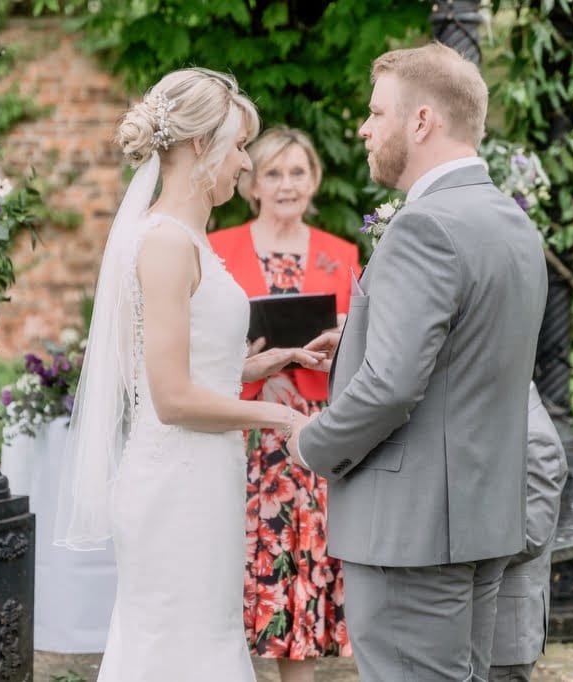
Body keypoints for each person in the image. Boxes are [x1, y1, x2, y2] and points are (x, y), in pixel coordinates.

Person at [289, 42, 549, 682]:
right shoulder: (511, 223)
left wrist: (311, 442)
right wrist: (359, 334)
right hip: (481, 525)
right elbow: (470, 356)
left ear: (423, 121)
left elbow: (391, 385)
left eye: (378, 113)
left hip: (411, 536)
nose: (364, 127)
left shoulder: (423, 226)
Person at [54, 68, 322, 682]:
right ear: (201, 146)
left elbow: (184, 368)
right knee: (180, 650)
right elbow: (171, 399)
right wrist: (279, 414)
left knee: (202, 642)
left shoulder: (182, 239)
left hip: (200, 478)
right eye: (237, 147)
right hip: (176, 489)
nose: (245, 165)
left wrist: (259, 366)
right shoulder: (168, 244)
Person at [209, 127, 360, 682]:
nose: (286, 184)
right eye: (273, 172)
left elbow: (367, 353)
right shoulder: (218, 249)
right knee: (249, 566)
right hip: (245, 433)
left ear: (315, 180)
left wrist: (345, 340)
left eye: (298, 172)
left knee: (306, 566)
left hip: (313, 435)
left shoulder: (340, 256)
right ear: (251, 183)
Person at [489, 383, 568, 682]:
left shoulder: (536, 438)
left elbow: (532, 535)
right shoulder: (509, 420)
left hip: (506, 635)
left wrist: (454, 551)